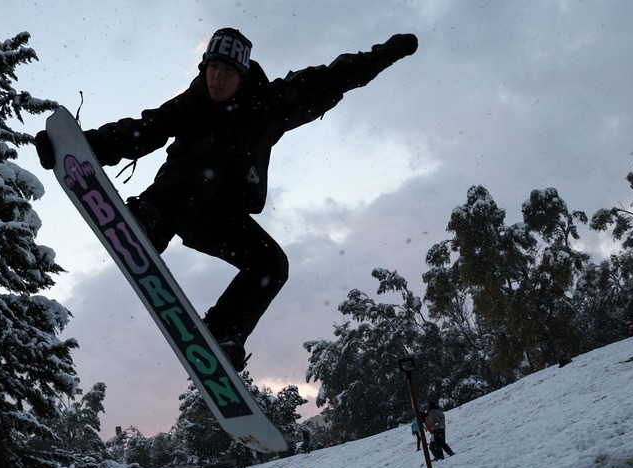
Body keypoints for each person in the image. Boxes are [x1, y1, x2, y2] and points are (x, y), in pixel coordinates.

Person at [36, 28, 418, 371]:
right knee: (211, 154)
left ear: (243, 75)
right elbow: (143, 131)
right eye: (212, 68)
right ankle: (149, 223)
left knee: (271, 263)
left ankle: (224, 332)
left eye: (228, 72)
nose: (217, 79)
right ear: (204, 68)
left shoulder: (271, 105)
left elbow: (334, 76)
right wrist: (81, 148)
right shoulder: (191, 104)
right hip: (177, 205)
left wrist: (386, 54)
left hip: (219, 220)